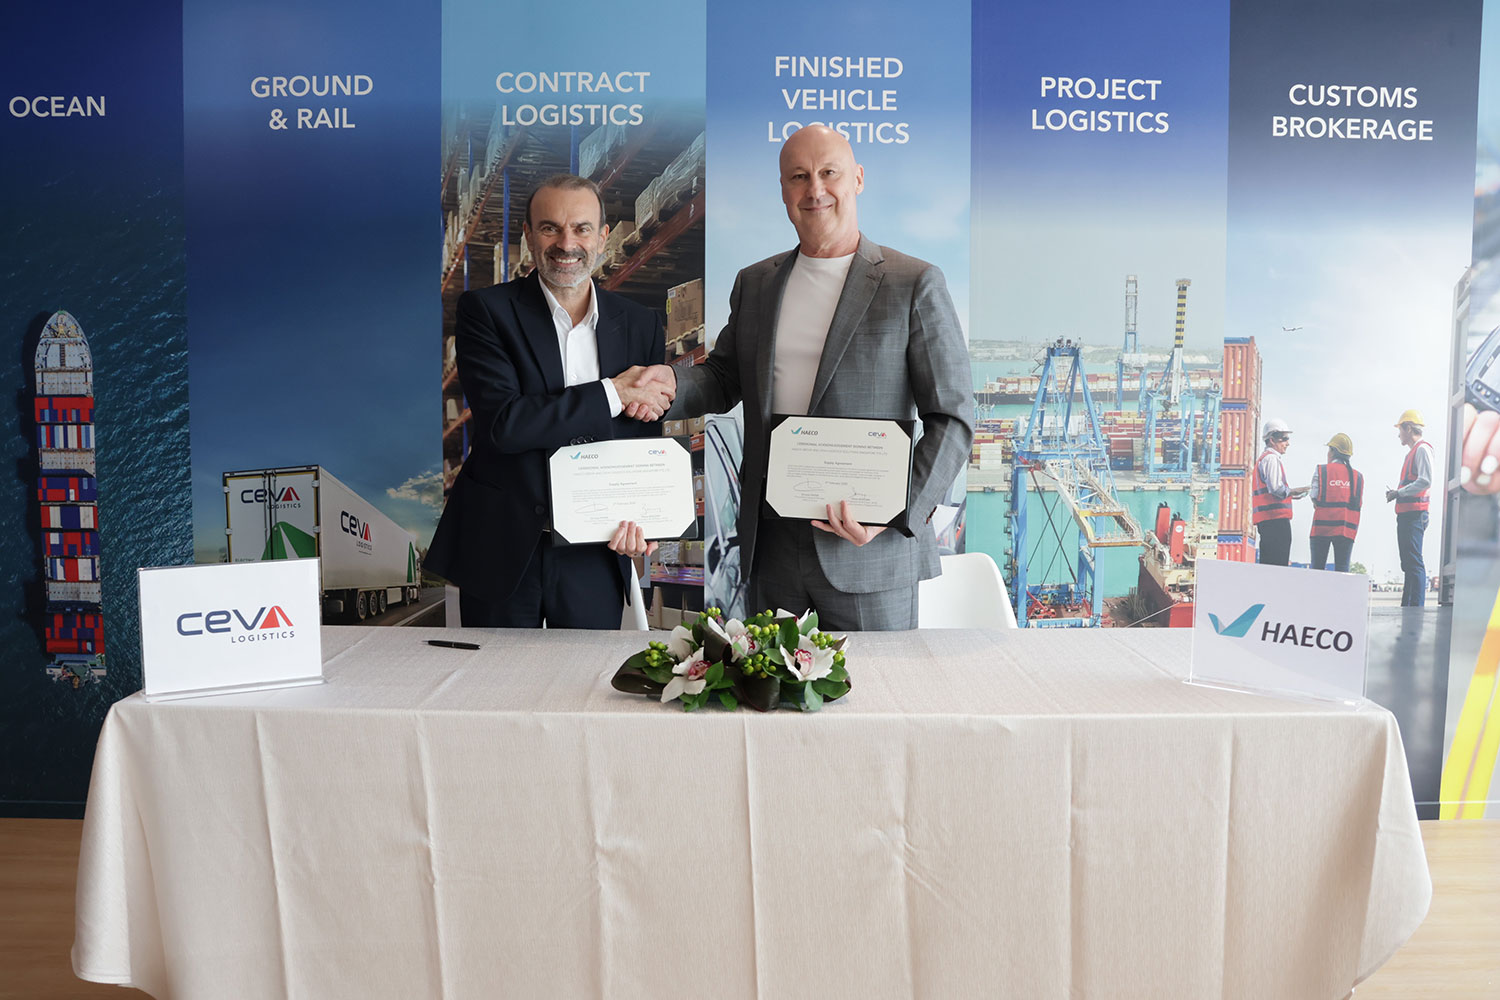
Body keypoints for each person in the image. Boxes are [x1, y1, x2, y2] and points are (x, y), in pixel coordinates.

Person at [624, 125, 973, 630]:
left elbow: (953, 418)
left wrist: (895, 512)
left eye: (829, 173)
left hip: (865, 548)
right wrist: (671, 384)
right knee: (768, 680)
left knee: (877, 683)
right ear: (784, 190)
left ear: (857, 179)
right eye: (799, 177)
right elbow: (724, 376)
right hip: (773, 547)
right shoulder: (756, 283)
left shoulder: (913, 282)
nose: (815, 189)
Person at [425, 174, 675, 628]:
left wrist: (645, 518)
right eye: (549, 228)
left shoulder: (640, 324)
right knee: (494, 671)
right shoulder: (486, 311)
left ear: (602, 237)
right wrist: (613, 392)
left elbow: (639, 437)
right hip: (503, 543)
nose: (566, 243)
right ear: (528, 234)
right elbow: (506, 424)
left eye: (581, 229)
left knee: (584, 672)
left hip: (595, 548)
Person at [1386, 408, 1434, 607]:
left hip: (1415, 514)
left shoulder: (1422, 450)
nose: (1399, 434)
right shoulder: (1413, 453)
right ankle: (1408, 606)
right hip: (1408, 515)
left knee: (1414, 562)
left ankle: (1415, 608)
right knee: (1408, 563)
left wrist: (1399, 493)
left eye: (1400, 429)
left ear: (1408, 428)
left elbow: (1425, 480)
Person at [1251, 418, 1307, 566]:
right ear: (1272, 440)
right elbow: (1275, 488)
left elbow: (1269, 492)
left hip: (1267, 521)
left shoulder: (1263, 459)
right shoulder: (1271, 459)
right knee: (1278, 565)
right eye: (1284, 439)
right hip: (1275, 521)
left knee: (1269, 565)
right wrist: (1293, 491)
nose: (1287, 443)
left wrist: (1290, 495)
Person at [1308, 433, 1363, 572]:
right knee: (1342, 571)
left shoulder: (1321, 470)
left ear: (1332, 452)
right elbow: (1357, 503)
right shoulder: (1358, 477)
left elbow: (1314, 496)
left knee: (1317, 570)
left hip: (1321, 528)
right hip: (1346, 529)